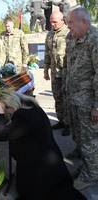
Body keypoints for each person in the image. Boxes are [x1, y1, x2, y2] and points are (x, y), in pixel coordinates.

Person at [0, 90, 87, 200]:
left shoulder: (23, 116)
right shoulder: (32, 107)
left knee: (34, 193)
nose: (8, 114)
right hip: (49, 159)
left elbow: (2, 134)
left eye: (6, 110)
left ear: (10, 106)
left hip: (39, 167)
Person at [66, 7, 98, 189]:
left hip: (88, 102)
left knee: (90, 142)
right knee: (80, 137)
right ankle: (86, 166)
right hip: (74, 98)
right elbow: (69, 66)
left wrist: (97, 106)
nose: (68, 26)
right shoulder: (72, 38)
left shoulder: (95, 40)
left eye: (71, 22)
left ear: (84, 22)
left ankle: (91, 176)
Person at [43, 11, 69, 135]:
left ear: (62, 21)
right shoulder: (49, 34)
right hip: (54, 72)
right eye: (50, 22)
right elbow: (47, 54)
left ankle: (69, 124)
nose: (52, 24)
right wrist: (45, 70)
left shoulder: (69, 33)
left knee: (67, 98)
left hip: (66, 72)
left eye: (55, 22)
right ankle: (61, 121)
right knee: (57, 97)